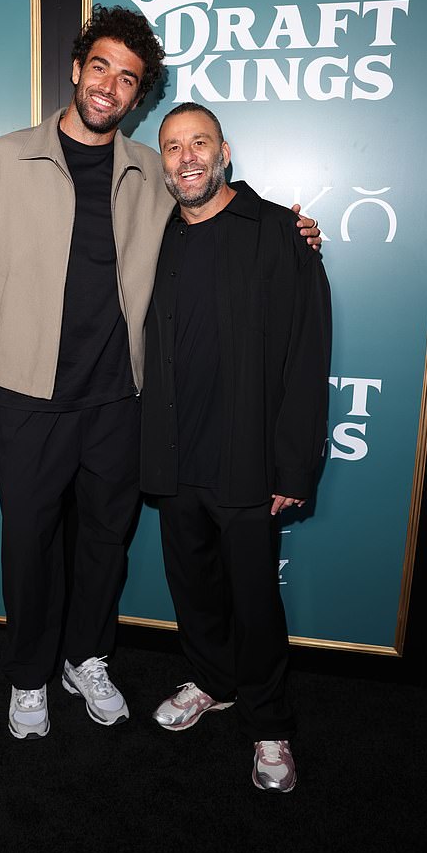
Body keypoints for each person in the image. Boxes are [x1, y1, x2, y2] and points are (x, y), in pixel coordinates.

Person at [0, 7, 322, 742]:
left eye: (129, 78)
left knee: (106, 544)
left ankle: (86, 656)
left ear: (139, 98)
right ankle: (27, 673)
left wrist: (288, 228)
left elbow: (216, 204)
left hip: (121, 402)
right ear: (76, 70)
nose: (110, 85)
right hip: (29, 396)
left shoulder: (150, 170)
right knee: (30, 543)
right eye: (100, 67)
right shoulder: (3, 157)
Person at [140, 103, 332, 792]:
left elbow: (307, 360)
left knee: (255, 600)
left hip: (249, 462)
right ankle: (212, 682)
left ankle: (269, 721)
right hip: (171, 455)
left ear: (225, 152)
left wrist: (293, 464)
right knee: (192, 589)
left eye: (199, 143)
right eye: (172, 146)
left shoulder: (282, 232)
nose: (186, 156)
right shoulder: (152, 238)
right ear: (160, 160)